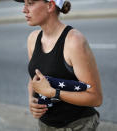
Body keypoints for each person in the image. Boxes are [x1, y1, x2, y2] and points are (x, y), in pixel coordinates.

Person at [15, 0, 103, 130]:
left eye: (31, 3)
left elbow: (96, 98)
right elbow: (34, 77)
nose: (24, 10)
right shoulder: (33, 39)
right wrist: (31, 100)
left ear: (50, 5)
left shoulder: (74, 41)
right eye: (24, 3)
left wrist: (53, 93)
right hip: (45, 124)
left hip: (77, 125)